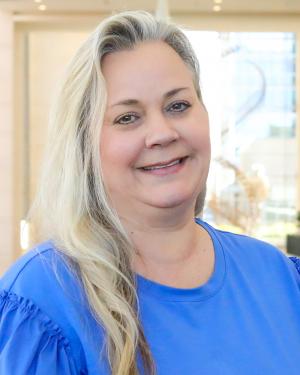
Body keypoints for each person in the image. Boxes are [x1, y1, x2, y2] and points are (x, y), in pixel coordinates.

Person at [0, 10, 300, 375]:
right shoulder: (44, 298)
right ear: (84, 146)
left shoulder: (278, 277)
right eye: (128, 117)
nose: (162, 133)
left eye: (178, 106)